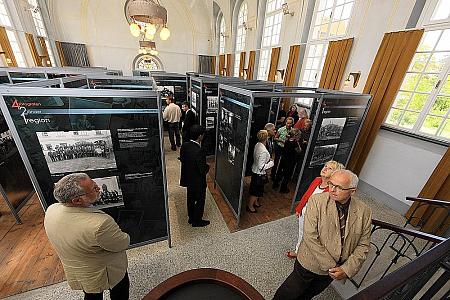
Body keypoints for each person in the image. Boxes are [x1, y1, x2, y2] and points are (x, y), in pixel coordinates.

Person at [273, 170, 372, 300]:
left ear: (352, 191)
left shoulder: (364, 211)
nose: (332, 189)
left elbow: (363, 244)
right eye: (331, 184)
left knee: (310, 293)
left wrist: (347, 269)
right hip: (310, 262)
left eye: (339, 187)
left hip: (334, 272)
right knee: (289, 291)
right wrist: (333, 267)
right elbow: (310, 236)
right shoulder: (317, 201)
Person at [44, 173, 130, 300]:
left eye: (95, 184)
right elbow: (122, 243)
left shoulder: (51, 209)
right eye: (94, 189)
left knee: (91, 295)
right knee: (120, 289)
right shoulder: (100, 224)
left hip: (79, 270)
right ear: (77, 200)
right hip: (105, 270)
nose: (98, 188)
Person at [286, 161, 345, 258]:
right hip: (305, 213)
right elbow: (306, 195)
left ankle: (308, 255)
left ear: (335, 174)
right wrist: (299, 209)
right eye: (325, 166)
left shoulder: (333, 191)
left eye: (330, 168)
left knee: (313, 238)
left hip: (316, 219)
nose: (325, 168)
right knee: (301, 233)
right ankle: (298, 251)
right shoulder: (317, 180)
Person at [180, 125, 210, 227]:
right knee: (200, 200)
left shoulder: (185, 145)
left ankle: (191, 217)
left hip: (188, 178)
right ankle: (197, 221)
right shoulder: (199, 151)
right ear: (200, 136)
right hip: (198, 181)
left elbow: (182, 159)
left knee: (190, 199)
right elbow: (202, 170)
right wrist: (208, 167)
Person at [247, 130, 274, 213]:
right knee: (256, 191)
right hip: (259, 174)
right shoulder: (263, 151)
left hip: (255, 171)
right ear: (266, 138)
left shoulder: (258, 144)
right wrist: (271, 163)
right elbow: (261, 167)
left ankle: (255, 203)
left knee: (256, 189)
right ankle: (250, 206)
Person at [273, 128, 302, 194]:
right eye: (299, 136)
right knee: (287, 175)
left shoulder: (287, 140)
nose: (299, 137)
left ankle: (275, 184)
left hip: (284, 158)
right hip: (290, 161)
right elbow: (299, 151)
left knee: (279, 172)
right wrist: (298, 142)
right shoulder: (295, 143)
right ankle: (283, 189)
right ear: (295, 136)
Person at [272, 117, 294, 181]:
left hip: (287, 149)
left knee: (283, 163)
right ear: (285, 123)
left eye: (290, 123)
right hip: (280, 147)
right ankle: (273, 175)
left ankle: (279, 176)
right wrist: (281, 140)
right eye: (287, 123)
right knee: (277, 161)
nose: (289, 125)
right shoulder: (281, 129)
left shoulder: (292, 131)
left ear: (292, 123)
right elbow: (275, 138)